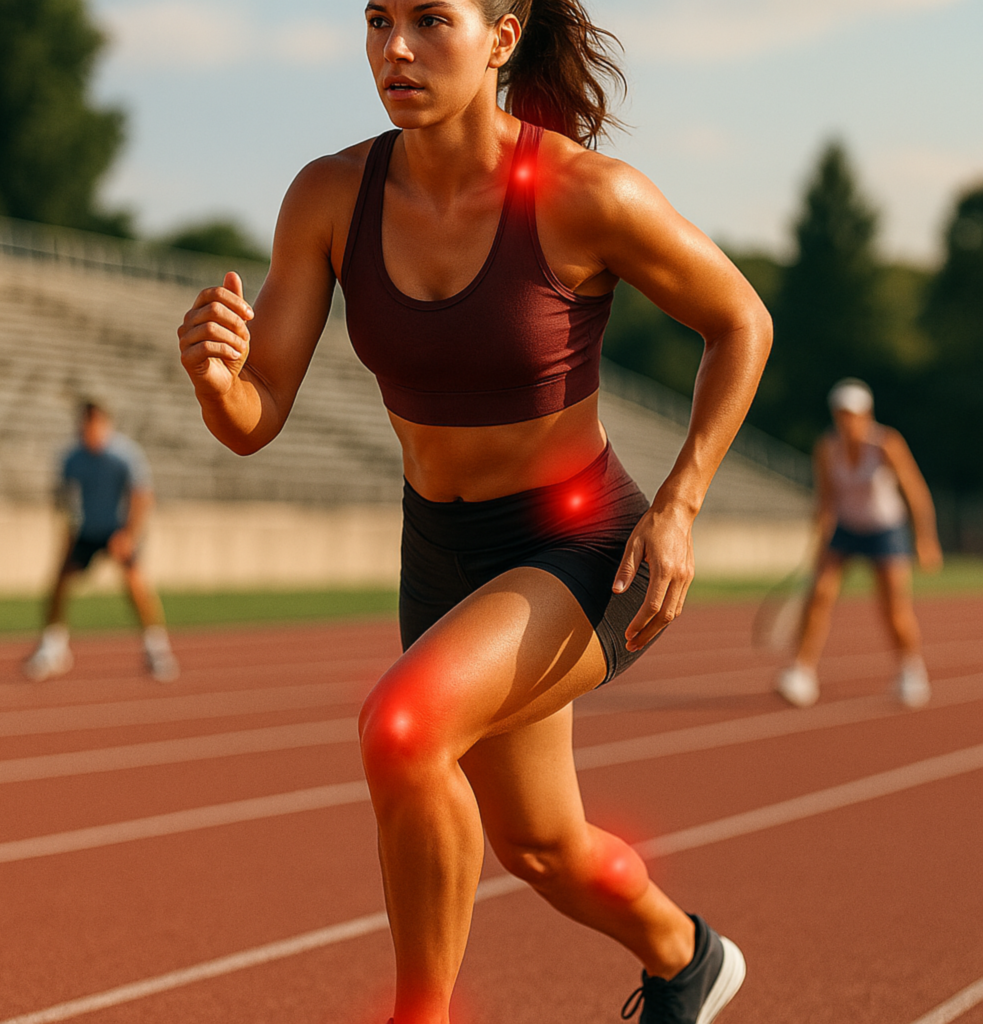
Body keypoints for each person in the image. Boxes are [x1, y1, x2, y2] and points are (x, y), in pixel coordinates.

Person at [177, 2, 771, 1021]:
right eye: (375, 20)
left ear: (500, 38)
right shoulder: (329, 195)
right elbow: (254, 417)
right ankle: (687, 958)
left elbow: (739, 320)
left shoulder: (584, 196)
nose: (392, 49)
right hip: (442, 549)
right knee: (539, 844)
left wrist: (680, 502)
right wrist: (214, 376)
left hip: (580, 543)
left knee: (401, 729)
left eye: (428, 20)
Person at [777, 378, 943, 709]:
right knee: (820, 595)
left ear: (866, 414)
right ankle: (802, 672)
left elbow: (915, 492)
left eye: (853, 414)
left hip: (886, 529)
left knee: (893, 606)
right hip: (847, 528)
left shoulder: (886, 445)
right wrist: (820, 539)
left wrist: (926, 539)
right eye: (841, 414)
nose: (847, 420)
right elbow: (825, 500)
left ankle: (910, 670)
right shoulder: (827, 448)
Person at [23, 401, 179, 683]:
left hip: (118, 530)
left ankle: (156, 648)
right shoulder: (72, 458)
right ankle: (53, 646)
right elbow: (65, 500)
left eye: (93, 425)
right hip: (86, 530)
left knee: (135, 583)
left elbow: (142, 496)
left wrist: (129, 535)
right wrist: (68, 534)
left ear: (105, 425)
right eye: (84, 426)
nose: (88, 431)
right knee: (60, 581)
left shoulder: (124, 455)